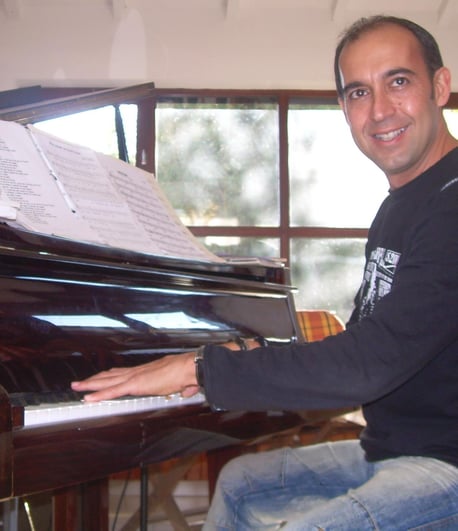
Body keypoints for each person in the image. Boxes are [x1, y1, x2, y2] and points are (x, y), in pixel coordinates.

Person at [72, 15, 458, 530]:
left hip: (446, 464)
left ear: (440, 85)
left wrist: (200, 370)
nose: (380, 110)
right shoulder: (402, 205)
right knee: (241, 483)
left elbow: (372, 362)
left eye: (399, 81)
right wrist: (241, 354)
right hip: (395, 450)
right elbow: (370, 337)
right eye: (359, 92)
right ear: (344, 107)